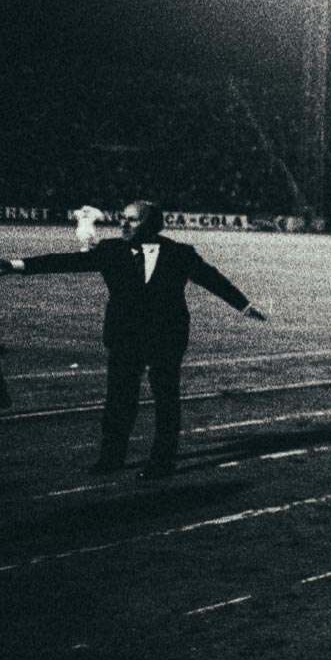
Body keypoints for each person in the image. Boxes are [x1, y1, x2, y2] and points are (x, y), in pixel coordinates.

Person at [1, 199, 268, 478]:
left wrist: (244, 305)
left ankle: (162, 461)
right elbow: (67, 261)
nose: (123, 224)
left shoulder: (179, 253)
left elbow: (211, 278)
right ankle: (111, 457)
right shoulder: (110, 250)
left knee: (166, 399)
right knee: (119, 399)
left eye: (132, 219)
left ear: (152, 224)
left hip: (167, 336)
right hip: (125, 336)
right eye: (122, 218)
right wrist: (15, 264)